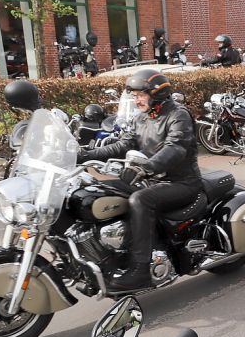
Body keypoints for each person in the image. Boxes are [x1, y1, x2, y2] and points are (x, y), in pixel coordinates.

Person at [77, 69, 201, 291]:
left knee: (140, 200)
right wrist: (85, 155)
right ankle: (109, 252)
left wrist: (149, 167)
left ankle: (141, 269)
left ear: (157, 94)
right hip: (150, 179)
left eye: (140, 95)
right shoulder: (141, 118)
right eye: (133, 96)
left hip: (180, 182)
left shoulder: (178, 115)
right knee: (98, 191)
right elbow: (123, 144)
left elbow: (176, 146)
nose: (136, 100)